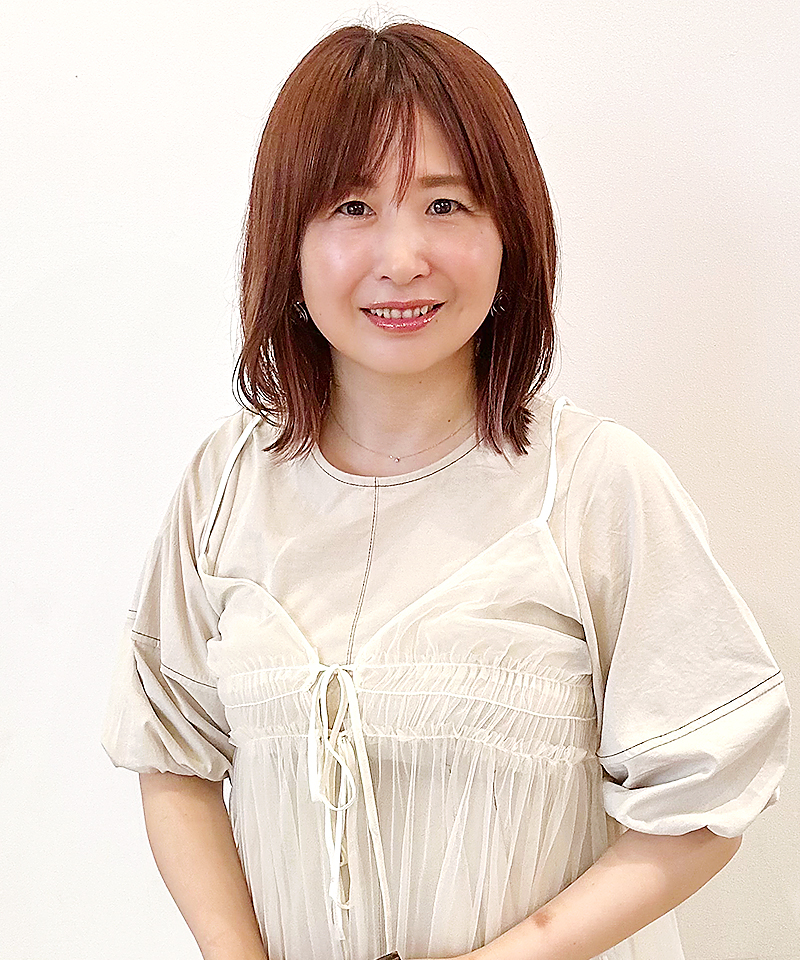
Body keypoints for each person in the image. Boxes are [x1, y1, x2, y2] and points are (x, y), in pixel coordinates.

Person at [102, 21, 790, 960]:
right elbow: (174, 754)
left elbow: (705, 801)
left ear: (510, 235)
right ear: (287, 241)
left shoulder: (596, 485)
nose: (401, 257)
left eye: (445, 204)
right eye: (352, 206)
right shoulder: (225, 483)